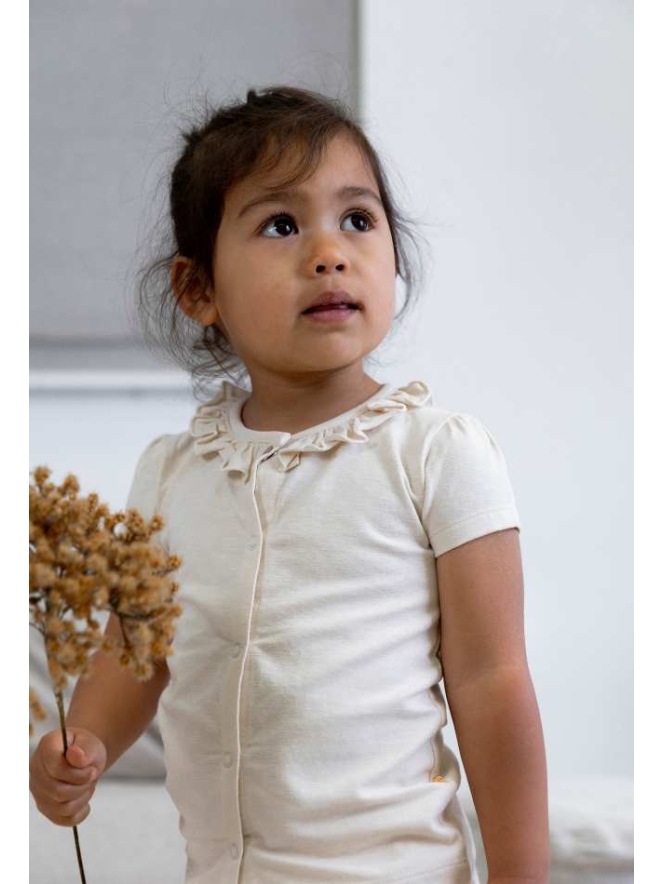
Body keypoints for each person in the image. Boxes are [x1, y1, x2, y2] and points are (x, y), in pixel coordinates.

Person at [29, 85, 549, 884]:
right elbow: (134, 654)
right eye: (280, 225)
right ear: (199, 290)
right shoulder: (169, 472)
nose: (329, 252)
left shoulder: (437, 454)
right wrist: (85, 743)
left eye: (358, 219)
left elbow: (491, 681)